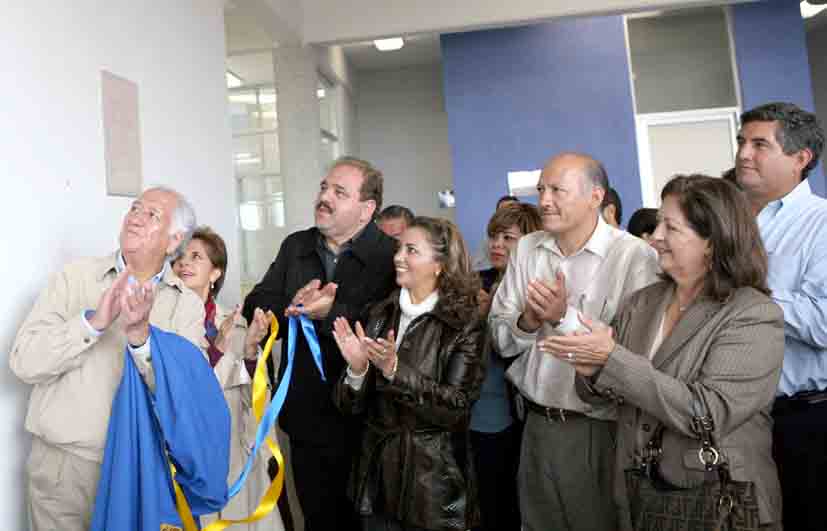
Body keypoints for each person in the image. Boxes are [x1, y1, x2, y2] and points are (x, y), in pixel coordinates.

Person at [540, 175, 785, 530]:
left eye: (670, 227)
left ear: (712, 242)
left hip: (720, 503)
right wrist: (589, 369)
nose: (654, 237)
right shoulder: (642, 302)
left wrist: (610, 359)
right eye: (657, 224)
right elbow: (606, 396)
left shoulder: (752, 314)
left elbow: (707, 414)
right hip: (640, 496)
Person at [10, 187, 206, 531]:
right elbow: (24, 361)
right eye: (135, 208)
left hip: (141, 473)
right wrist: (93, 323)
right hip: (64, 471)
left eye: (152, 215)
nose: (136, 216)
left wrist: (141, 339)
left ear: (174, 241)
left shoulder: (185, 306)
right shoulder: (75, 278)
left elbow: (187, 398)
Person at [489, 152, 659, 531]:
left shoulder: (634, 257)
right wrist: (529, 320)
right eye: (541, 190)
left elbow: (636, 359)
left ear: (596, 197)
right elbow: (501, 341)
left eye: (557, 190)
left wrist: (560, 319)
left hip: (601, 428)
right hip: (535, 423)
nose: (544, 200)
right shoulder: (528, 249)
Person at [242, 156, 397, 531]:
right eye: (324, 188)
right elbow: (258, 300)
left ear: (366, 209)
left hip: (370, 420)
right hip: (307, 414)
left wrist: (330, 313)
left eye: (338, 192)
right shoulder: (296, 246)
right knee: (319, 518)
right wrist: (290, 306)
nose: (324, 197)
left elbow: (389, 323)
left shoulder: (390, 255)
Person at [331, 217, 485, 531]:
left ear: (439, 264)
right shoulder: (380, 314)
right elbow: (350, 408)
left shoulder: (464, 323)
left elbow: (455, 409)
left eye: (411, 250)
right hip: (377, 482)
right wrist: (357, 371)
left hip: (433, 486)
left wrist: (395, 371)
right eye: (399, 248)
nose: (398, 257)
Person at [734, 102, 827, 530]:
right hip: (732, 420)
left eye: (759, 144)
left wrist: (749, 292)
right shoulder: (729, 222)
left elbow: (823, 323)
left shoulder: (820, 224)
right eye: (741, 142)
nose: (743, 154)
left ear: (800, 158)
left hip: (801, 423)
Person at [173, 227, 285, 531]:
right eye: (180, 257)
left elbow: (257, 394)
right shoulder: (164, 323)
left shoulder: (236, 324)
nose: (184, 263)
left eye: (196, 256)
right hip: (184, 450)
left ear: (216, 272)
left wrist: (249, 351)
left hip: (232, 448)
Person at [471, 202, 541, 531]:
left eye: (508, 238)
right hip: (476, 410)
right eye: (493, 236)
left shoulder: (536, 291)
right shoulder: (478, 282)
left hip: (514, 414)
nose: (497, 244)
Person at [472, 195, 520, 271]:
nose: (496, 244)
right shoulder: (488, 240)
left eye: (511, 209)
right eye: (503, 211)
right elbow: (475, 266)